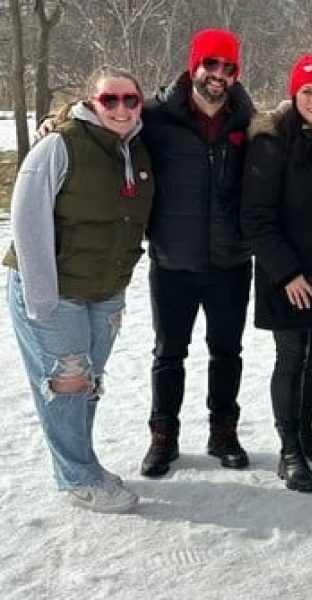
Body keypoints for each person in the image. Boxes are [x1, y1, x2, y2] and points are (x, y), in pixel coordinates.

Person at [5, 66, 153, 512]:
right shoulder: (59, 144)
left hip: (104, 291)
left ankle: (81, 463)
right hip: (55, 290)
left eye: (130, 99)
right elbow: (26, 220)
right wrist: (41, 301)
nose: (121, 108)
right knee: (66, 383)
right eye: (110, 100)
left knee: (87, 383)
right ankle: (77, 477)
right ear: (92, 102)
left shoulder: (140, 148)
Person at [139, 28, 255, 477]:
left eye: (229, 68)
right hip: (173, 260)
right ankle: (163, 437)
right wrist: (62, 120)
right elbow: (105, 123)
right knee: (169, 352)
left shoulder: (246, 119)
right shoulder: (155, 116)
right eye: (211, 65)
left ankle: (223, 431)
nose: (219, 75)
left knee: (227, 351)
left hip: (230, 260)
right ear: (194, 66)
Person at [241, 54, 312, 492]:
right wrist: (288, 274)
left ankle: (306, 432)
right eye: (306, 91)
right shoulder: (270, 145)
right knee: (291, 357)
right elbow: (256, 219)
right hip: (285, 277)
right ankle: (289, 449)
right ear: (293, 95)